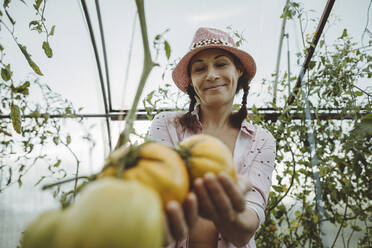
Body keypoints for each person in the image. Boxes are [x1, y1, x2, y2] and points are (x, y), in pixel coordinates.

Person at [149, 27, 276, 248]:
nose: (211, 75)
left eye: (221, 64)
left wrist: (220, 210)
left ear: (238, 70)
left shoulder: (261, 141)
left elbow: (244, 231)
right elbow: (157, 198)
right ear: (191, 81)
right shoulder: (167, 125)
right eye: (200, 69)